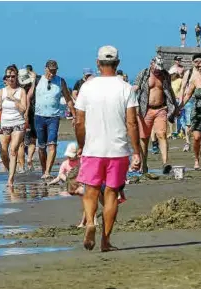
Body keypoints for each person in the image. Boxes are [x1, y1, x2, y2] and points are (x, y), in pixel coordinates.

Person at [75, 45, 141, 252]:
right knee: (111, 194)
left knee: (90, 191)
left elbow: (79, 121)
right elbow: (132, 123)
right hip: (118, 150)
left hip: (93, 148)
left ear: (97, 63)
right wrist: (137, 151)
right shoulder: (125, 88)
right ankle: (105, 241)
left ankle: (91, 222)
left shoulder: (87, 87)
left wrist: (81, 144)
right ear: (118, 63)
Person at [133, 56, 177, 175]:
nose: (158, 71)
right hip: (145, 109)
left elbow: (169, 91)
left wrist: (175, 106)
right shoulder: (143, 74)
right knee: (144, 138)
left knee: (161, 134)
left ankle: (165, 163)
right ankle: (144, 164)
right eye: (156, 68)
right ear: (151, 64)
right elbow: (135, 87)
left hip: (161, 109)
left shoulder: (165, 75)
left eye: (160, 69)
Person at [32, 60, 76, 179]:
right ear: (45, 69)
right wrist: (25, 113)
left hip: (54, 117)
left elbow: (68, 98)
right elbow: (29, 95)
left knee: (52, 144)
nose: (52, 73)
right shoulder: (37, 80)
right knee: (41, 147)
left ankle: (47, 172)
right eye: (51, 71)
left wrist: (74, 115)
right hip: (39, 116)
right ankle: (44, 170)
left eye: (54, 71)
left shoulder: (60, 81)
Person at [0, 66, 27, 186]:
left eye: (13, 76)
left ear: (16, 77)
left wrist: (14, 99)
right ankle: (11, 171)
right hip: (5, 124)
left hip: (18, 123)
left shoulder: (21, 91)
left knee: (13, 150)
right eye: (8, 76)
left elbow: (23, 109)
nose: (10, 79)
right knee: (3, 152)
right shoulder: (2, 91)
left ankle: (10, 179)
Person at [179, 53, 201, 152]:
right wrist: (181, 101)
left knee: (200, 123)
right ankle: (188, 142)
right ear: (192, 62)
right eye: (196, 62)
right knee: (189, 124)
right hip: (189, 101)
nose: (198, 64)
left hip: (200, 100)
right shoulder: (188, 73)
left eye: (200, 61)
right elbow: (182, 87)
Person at [18, 68, 38, 172]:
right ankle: (29, 158)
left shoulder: (18, 89)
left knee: (21, 142)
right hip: (34, 113)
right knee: (33, 139)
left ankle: (21, 167)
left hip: (22, 115)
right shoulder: (34, 86)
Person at [169, 67, 182, 139]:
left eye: (172, 74)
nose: (170, 75)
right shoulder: (169, 81)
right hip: (170, 101)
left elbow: (182, 90)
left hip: (177, 100)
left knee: (178, 117)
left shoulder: (180, 80)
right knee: (170, 117)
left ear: (175, 74)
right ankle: (171, 132)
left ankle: (179, 131)